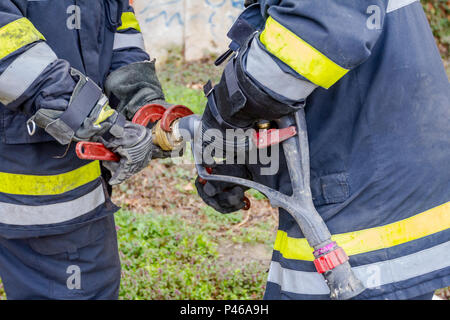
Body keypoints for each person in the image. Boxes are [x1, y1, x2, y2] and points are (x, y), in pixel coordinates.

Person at [195, 0, 450, 299]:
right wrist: (246, 161)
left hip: (365, 214)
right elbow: (316, 90)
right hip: (384, 175)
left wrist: (226, 110)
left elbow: (312, 37)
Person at [0, 0, 172, 299]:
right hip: (31, 180)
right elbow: (10, 51)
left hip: (70, 174)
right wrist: (98, 119)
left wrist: (139, 99)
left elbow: (118, 25)